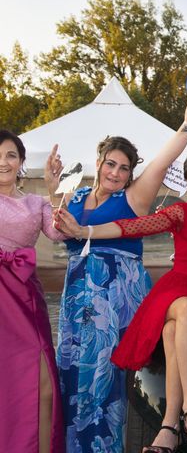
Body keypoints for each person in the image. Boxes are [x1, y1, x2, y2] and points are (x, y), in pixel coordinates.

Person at [54, 149, 187, 453]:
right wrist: (84, 230)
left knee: (173, 332)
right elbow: (132, 226)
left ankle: (168, 427)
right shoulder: (182, 212)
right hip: (175, 292)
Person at [53, 101, 187, 452]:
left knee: (105, 380)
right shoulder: (76, 196)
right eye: (110, 164)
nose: (115, 172)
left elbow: (163, 160)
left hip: (115, 301)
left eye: (124, 167)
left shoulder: (134, 198)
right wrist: (50, 186)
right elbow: (55, 234)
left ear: (131, 173)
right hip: (76, 300)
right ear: (99, 162)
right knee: (72, 375)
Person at [0, 132, 66, 453]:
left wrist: (54, 192)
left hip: (25, 296)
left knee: (44, 389)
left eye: (11, 155)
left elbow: (58, 234)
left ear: (22, 162)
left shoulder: (36, 202)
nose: (3, 162)